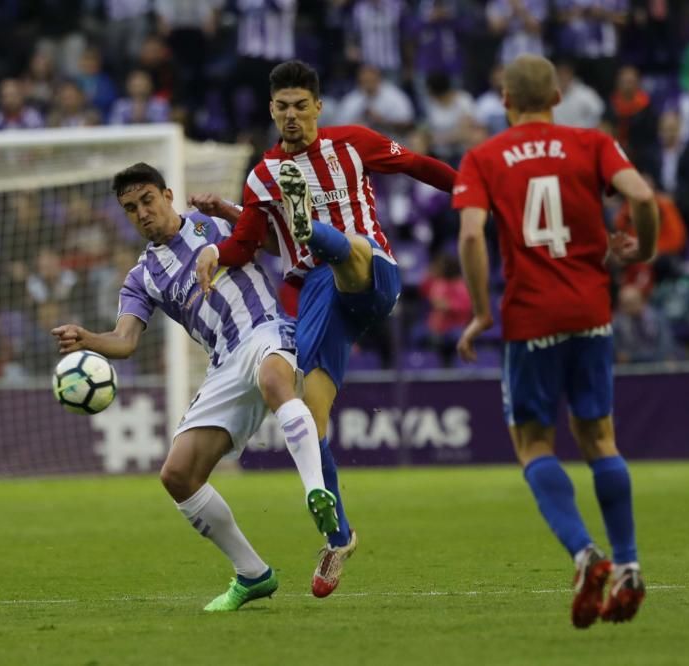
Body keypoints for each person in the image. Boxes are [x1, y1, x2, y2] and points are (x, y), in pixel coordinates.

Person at [192, 60, 457, 598]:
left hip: (371, 271)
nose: (291, 115)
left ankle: (312, 228)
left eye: (300, 106)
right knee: (310, 422)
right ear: (272, 110)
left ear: (317, 107)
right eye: (281, 107)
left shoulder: (353, 143)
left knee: (350, 251)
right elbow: (246, 242)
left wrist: (472, 193)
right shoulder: (263, 174)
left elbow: (420, 166)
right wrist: (216, 250)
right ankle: (338, 538)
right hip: (318, 296)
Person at [51, 163, 338, 612]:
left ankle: (314, 491)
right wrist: (87, 339)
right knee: (177, 475)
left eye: (147, 200)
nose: (142, 212)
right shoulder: (142, 277)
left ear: (167, 195)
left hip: (265, 328)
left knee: (273, 379)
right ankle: (253, 574)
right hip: (223, 364)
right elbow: (124, 341)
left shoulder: (216, 222)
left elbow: (276, 241)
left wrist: (234, 210)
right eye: (131, 208)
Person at [451, 54, 659, 628]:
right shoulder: (591, 143)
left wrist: (480, 311)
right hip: (591, 312)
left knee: (534, 445)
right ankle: (631, 565)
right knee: (600, 439)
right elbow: (641, 197)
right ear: (558, 98)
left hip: (531, 318)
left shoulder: (484, 157)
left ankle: (586, 554)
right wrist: (642, 251)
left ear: (504, 100)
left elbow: (471, 235)